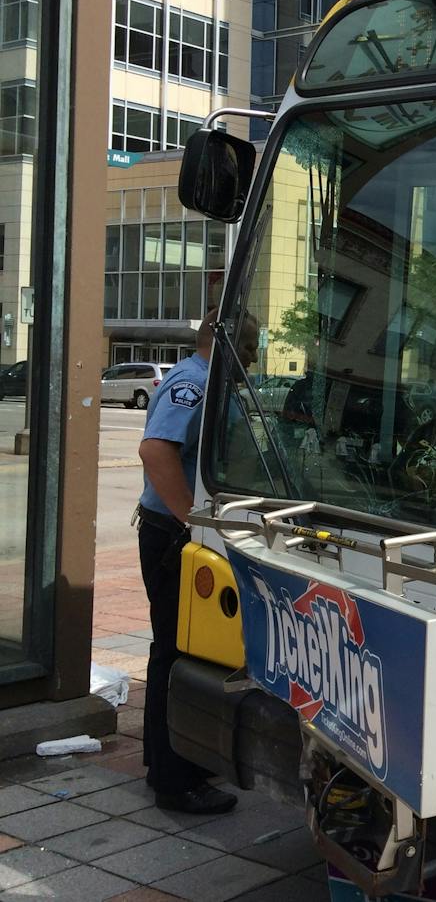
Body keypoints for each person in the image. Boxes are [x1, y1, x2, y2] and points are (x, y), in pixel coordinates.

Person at [135, 309, 257, 815]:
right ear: (228, 342)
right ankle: (174, 781)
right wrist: (194, 522)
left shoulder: (208, 381)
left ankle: (168, 760)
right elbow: (156, 450)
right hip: (173, 537)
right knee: (177, 650)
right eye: (251, 347)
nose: (254, 358)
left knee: (175, 647)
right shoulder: (194, 383)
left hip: (176, 534)